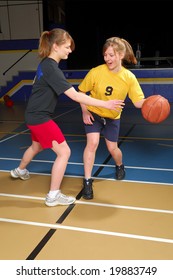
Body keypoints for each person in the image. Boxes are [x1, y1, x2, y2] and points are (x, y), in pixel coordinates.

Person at [10, 29, 125, 207]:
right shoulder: (51, 68)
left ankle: (19, 170)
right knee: (64, 152)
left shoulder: (45, 65)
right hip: (40, 117)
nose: (70, 50)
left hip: (32, 115)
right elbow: (76, 96)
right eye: (67, 47)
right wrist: (105, 104)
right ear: (55, 46)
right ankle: (53, 195)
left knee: (36, 146)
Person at [78, 37, 145, 200]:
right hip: (94, 113)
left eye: (111, 55)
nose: (107, 58)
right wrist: (85, 111)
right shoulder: (96, 72)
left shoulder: (129, 77)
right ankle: (87, 181)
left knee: (112, 149)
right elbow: (81, 93)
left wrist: (151, 103)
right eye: (105, 55)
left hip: (113, 118)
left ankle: (119, 165)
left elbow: (138, 102)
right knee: (92, 143)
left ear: (121, 55)